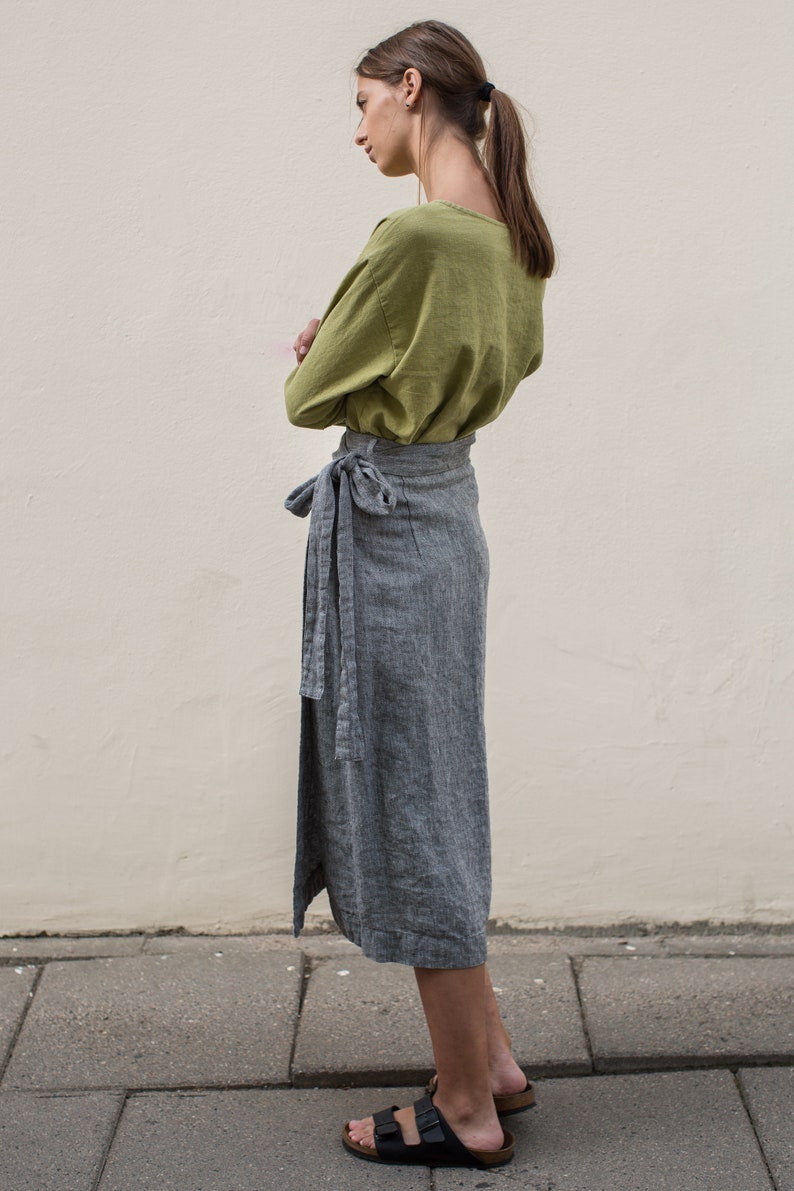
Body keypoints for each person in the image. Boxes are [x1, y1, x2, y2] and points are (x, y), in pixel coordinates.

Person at [283, 18, 554, 1170]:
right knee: (442, 786)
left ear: (408, 88)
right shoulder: (505, 237)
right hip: (443, 523)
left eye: (361, 106)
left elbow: (308, 395)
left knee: (412, 806)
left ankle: (464, 1105)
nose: (357, 131)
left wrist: (316, 349)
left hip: (392, 532)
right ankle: (486, 1053)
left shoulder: (416, 240)